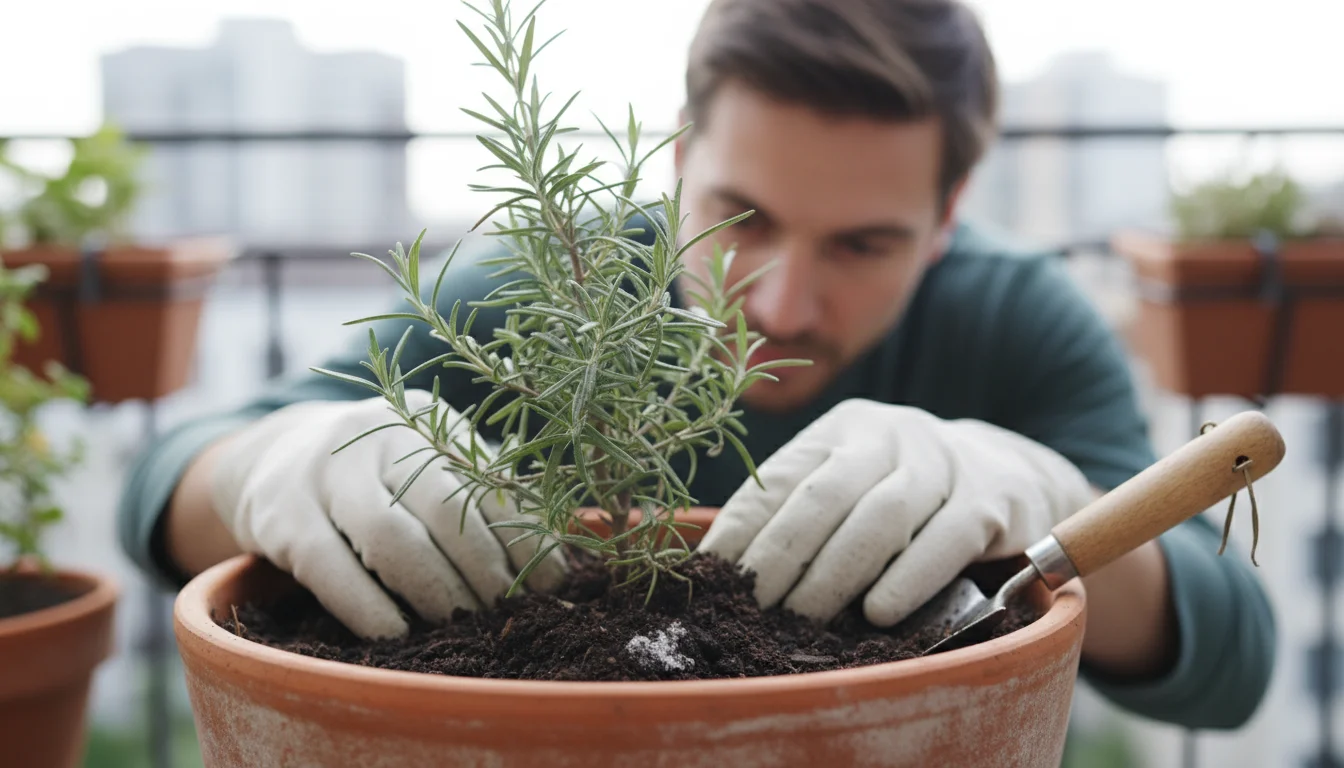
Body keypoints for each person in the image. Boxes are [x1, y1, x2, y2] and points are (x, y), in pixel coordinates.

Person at [118, 0, 1273, 731]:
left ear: (950, 211)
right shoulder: (549, 294)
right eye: (739, 216)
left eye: (865, 243)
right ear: (676, 163)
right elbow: (158, 491)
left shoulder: (1017, 320)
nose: (776, 298)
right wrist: (265, 464)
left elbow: (1232, 661)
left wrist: (1055, 496)